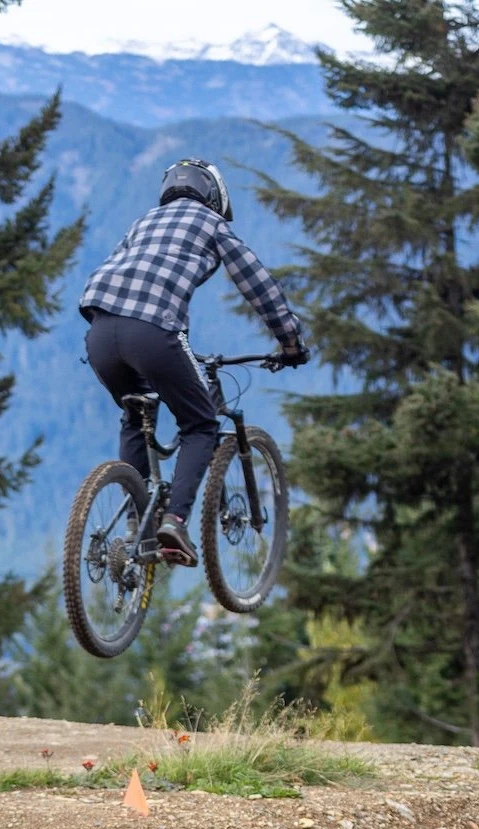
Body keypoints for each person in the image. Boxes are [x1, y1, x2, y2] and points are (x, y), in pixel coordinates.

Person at [78, 159, 307, 568]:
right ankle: (175, 521)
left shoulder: (143, 222)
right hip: (152, 332)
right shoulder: (211, 223)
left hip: (99, 332)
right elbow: (256, 283)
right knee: (201, 424)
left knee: (136, 413)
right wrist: (290, 340)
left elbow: (110, 271)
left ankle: (136, 525)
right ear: (214, 195)